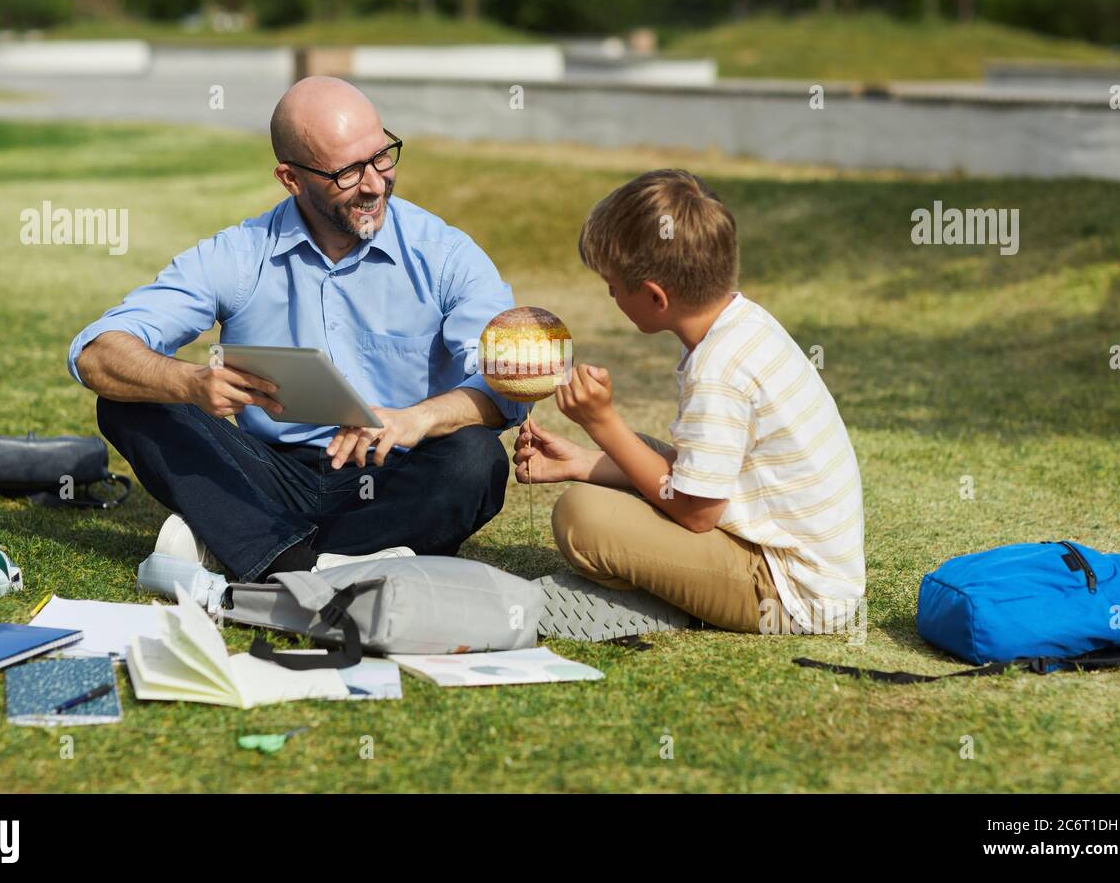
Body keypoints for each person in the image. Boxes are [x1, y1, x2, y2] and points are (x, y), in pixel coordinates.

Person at [68, 77, 524, 582]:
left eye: (382, 156)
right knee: (130, 399)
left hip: (397, 476)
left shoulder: (445, 255)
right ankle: (330, 564)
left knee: (475, 459)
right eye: (348, 172)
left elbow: (505, 385)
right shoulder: (241, 252)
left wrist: (415, 419)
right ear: (291, 179)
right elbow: (96, 352)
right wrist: (190, 383)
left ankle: (267, 554)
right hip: (268, 475)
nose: (374, 183)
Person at [513, 169, 865, 634]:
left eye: (613, 284)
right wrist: (580, 461)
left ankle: (659, 603)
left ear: (657, 296)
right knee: (640, 452)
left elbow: (697, 514)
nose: (610, 293)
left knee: (581, 516)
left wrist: (601, 423)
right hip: (794, 565)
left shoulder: (719, 368)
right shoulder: (739, 324)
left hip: (786, 593)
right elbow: (695, 469)